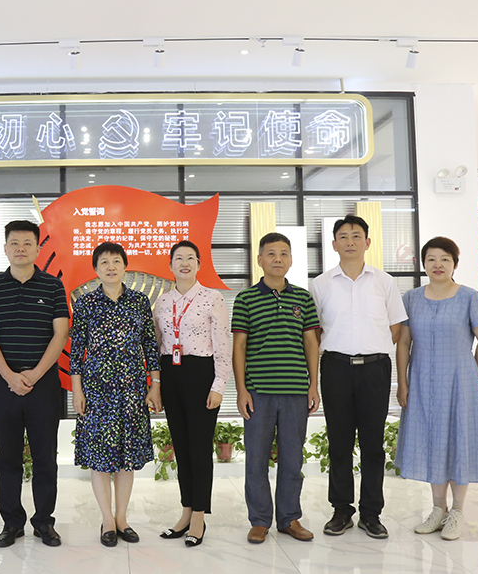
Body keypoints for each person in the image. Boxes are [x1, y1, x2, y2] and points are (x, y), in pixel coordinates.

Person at [310, 215, 407, 539]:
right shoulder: (320, 284)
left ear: (367, 242)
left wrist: (371, 347)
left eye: (356, 235)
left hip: (374, 369)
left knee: (372, 444)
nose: (349, 241)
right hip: (335, 367)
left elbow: (396, 328)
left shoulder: (384, 281)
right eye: (343, 236)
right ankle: (341, 510)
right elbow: (315, 331)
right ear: (334, 244)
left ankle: (371, 513)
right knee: (338, 442)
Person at [396, 237, 478, 541]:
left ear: (454, 264)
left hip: (458, 381)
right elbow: (404, 343)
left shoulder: (469, 297)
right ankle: (438, 509)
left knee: (458, 440)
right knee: (433, 442)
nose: (437, 265)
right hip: (423, 381)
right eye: (431, 259)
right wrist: (402, 382)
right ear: (423, 264)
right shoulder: (412, 298)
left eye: (444, 259)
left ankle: (457, 512)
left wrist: (475, 375)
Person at [0, 220, 69, 548]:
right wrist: (9, 375)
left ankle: (44, 522)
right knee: (7, 457)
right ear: (5, 248)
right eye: (14, 243)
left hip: (44, 385)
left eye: (27, 243)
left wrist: (36, 373)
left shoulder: (53, 285)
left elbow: (61, 333)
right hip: (4, 384)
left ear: (37, 248)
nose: (20, 248)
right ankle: (11, 522)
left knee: (45, 456)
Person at [70, 242, 162, 547]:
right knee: (100, 458)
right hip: (97, 390)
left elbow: (150, 345)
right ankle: (107, 520)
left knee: (126, 456)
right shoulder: (86, 303)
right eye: (104, 262)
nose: (110, 267)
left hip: (132, 388)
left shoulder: (139, 301)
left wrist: (155, 384)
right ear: (95, 269)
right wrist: (77, 389)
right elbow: (77, 350)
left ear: (125, 266)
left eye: (116, 261)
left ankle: (122, 519)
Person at [232, 233, 320, 544]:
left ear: (291, 260)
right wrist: (241, 390)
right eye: (271, 254)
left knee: (293, 459)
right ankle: (259, 520)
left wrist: (314, 385)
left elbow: (311, 343)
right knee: (256, 459)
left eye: (284, 253)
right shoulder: (246, 299)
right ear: (260, 260)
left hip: (296, 390)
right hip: (259, 391)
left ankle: (289, 518)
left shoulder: (302, 298)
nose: (278, 259)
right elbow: (239, 347)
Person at [152, 240, 231, 548]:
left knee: (199, 448)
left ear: (199, 264)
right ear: (170, 265)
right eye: (178, 258)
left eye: (190, 258)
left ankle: (199, 515)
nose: (184, 263)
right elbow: (158, 345)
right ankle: (185, 511)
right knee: (182, 447)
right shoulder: (162, 301)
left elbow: (222, 344)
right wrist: (156, 384)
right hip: (171, 374)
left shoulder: (212, 297)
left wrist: (219, 385)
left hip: (201, 375)